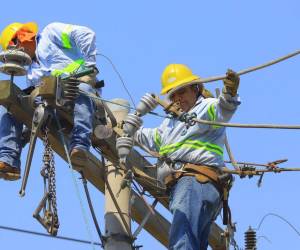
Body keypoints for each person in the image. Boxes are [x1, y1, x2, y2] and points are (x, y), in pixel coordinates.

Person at [134, 64, 240, 250]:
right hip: (190, 186)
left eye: (181, 91)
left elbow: (224, 109)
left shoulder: (205, 107)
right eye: (172, 95)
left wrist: (229, 93)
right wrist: (128, 122)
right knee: (194, 244)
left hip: (194, 181)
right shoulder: (170, 123)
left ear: (196, 88)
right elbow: (149, 137)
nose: (177, 98)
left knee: (182, 240)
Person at [0, 22, 100, 180]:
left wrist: (89, 65)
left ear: (21, 39)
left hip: (75, 92)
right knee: (12, 112)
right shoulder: (31, 70)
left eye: (14, 47)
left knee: (82, 90)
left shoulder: (50, 33)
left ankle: (80, 146)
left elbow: (86, 34)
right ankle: (9, 161)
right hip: (52, 105)